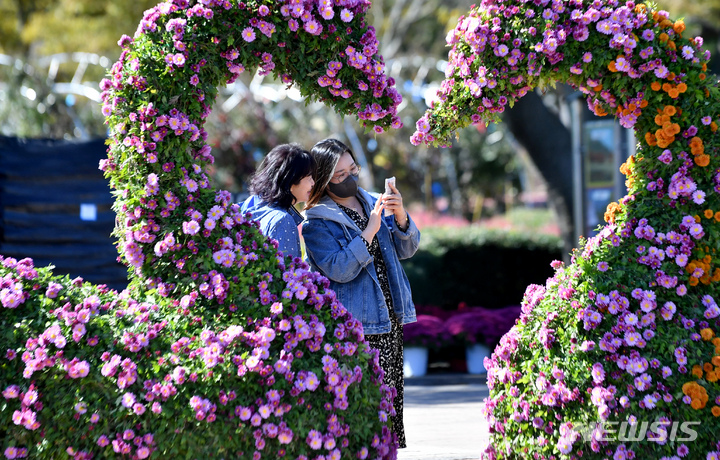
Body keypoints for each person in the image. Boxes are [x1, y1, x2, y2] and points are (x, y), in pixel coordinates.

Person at [301, 138, 420, 448]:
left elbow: (407, 249)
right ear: (323, 180)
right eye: (340, 176)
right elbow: (339, 269)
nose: (350, 178)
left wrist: (402, 216)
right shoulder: (316, 222)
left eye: (352, 169)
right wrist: (370, 229)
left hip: (389, 317)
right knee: (362, 410)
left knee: (390, 408)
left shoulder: (372, 200)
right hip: (356, 327)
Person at [241, 143, 315, 260]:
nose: (313, 183)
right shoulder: (282, 220)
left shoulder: (253, 206)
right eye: (309, 177)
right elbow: (287, 274)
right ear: (291, 181)